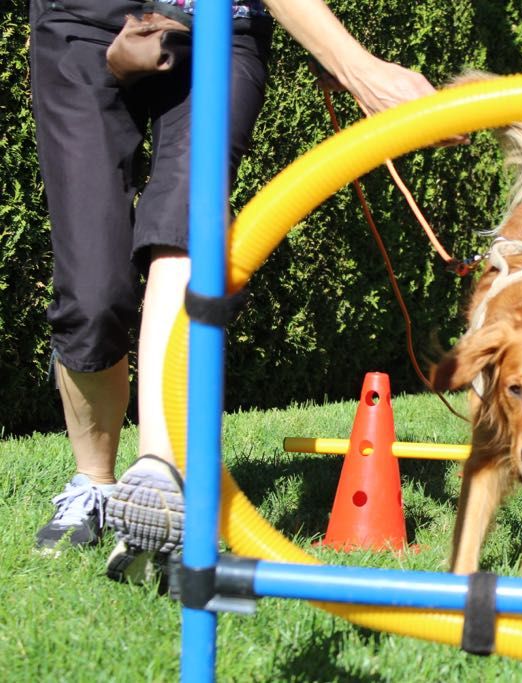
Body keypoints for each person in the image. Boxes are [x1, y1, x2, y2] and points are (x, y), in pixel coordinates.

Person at [30, 0, 446, 579]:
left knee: (188, 225)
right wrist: (358, 68)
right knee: (91, 294)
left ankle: (159, 471)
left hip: (218, 23)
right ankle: (94, 485)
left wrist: (345, 57)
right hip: (82, 17)